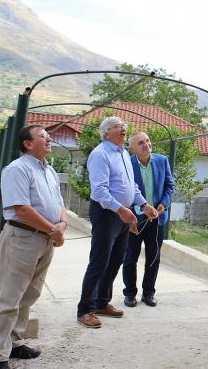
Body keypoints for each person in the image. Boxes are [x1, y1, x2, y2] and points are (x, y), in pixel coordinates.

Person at [0, 125, 67, 369]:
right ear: (28, 144)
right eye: (44, 136)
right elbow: (22, 208)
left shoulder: (50, 171)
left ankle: (15, 341)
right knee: (10, 297)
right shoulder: (17, 169)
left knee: (30, 294)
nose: (49, 139)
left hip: (45, 239)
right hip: (22, 238)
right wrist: (52, 229)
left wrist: (62, 224)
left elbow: (59, 202)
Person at [76, 117, 158, 328]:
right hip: (107, 214)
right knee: (99, 262)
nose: (124, 128)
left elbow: (131, 186)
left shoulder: (123, 153)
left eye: (124, 126)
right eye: (118, 126)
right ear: (106, 133)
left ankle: (102, 302)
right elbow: (100, 191)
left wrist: (143, 205)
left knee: (115, 260)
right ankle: (85, 309)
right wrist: (122, 210)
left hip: (124, 213)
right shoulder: (100, 154)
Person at [122, 131, 174, 308]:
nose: (146, 144)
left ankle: (148, 293)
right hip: (135, 220)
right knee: (130, 257)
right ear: (132, 148)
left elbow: (169, 185)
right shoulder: (127, 164)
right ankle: (129, 294)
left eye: (148, 141)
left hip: (157, 219)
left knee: (154, 258)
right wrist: (129, 218)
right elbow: (123, 192)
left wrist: (164, 204)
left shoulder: (162, 160)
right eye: (141, 143)